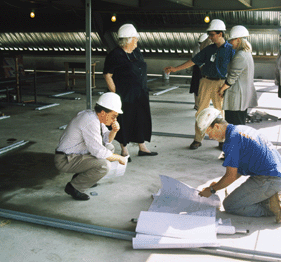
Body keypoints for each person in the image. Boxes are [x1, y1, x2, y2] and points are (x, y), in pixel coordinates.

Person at [197, 108, 281, 223]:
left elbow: (230, 176)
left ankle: (272, 208)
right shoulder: (240, 129)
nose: (211, 137)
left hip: (269, 179)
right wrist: (217, 185)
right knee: (239, 199)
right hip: (276, 175)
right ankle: (268, 197)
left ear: (216, 126)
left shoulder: (232, 141)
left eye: (209, 133)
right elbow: (239, 171)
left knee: (231, 205)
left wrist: (212, 189)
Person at [164, 19, 235, 150]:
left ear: (220, 34)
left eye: (212, 34)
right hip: (206, 82)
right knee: (201, 112)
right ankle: (198, 139)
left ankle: (221, 139)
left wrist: (228, 85)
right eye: (209, 34)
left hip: (220, 83)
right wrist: (175, 69)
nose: (210, 37)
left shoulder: (231, 50)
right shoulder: (209, 49)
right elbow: (193, 61)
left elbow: (236, 68)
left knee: (220, 112)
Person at [54, 92, 127, 201]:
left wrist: (114, 130)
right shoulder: (90, 121)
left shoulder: (96, 117)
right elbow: (99, 152)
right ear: (103, 112)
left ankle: (82, 177)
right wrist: (119, 158)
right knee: (104, 165)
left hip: (76, 155)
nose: (114, 120)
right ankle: (74, 187)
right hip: (65, 159)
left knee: (110, 148)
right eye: (114, 116)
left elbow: (107, 140)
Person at [103, 23, 157, 161]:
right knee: (124, 121)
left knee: (140, 119)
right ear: (127, 39)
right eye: (135, 38)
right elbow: (107, 75)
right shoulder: (115, 55)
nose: (137, 41)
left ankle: (142, 147)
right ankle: (124, 150)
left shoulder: (136, 52)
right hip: (125, 95)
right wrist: (116, 94)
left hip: (140, 93)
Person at [219, 25, 257, 125]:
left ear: (239, 40)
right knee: (240, 125)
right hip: (243, 96)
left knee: (234, 126)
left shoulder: (240, 55)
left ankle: (235, 141)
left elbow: (231, 78)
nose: (230, 43)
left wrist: (221, 90)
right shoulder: (247, 53)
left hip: (237, 98)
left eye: (232, 40)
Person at [190, 33, 209, 110]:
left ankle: (197, 105)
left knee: (197, 87)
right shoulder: (200, 48)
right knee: (198, 87)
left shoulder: (197, 47)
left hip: (198, 68)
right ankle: (198, 105)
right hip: (199, 69)